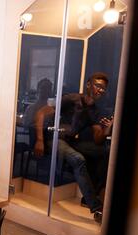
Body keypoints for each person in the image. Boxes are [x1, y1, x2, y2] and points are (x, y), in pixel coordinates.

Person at [33, 72, 113, 223]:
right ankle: (97, 208)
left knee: (106, 151)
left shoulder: (94, 110)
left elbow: (98, 139)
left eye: (103, 88)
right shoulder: (71, 99)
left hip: (70, 141)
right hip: (55, 138)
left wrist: (108, 128)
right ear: (88, 85)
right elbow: (41, 113)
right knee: (78, 159)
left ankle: (91, 194)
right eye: (98, 86)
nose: (100, 90)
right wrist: (39, 140)